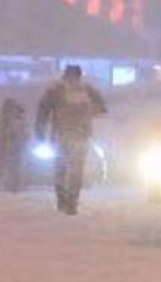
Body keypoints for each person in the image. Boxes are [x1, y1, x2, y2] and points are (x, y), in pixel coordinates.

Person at [35, 65, 107, 214]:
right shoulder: (88, 90)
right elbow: (102, 109)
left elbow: (43, 111)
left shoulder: (55, 91)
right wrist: (87, 115)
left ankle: (63, 201)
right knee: (76, 170)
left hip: (61, 135)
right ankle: (71, 203)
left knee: (62, 169)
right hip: (81, 135)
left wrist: (40, 131)